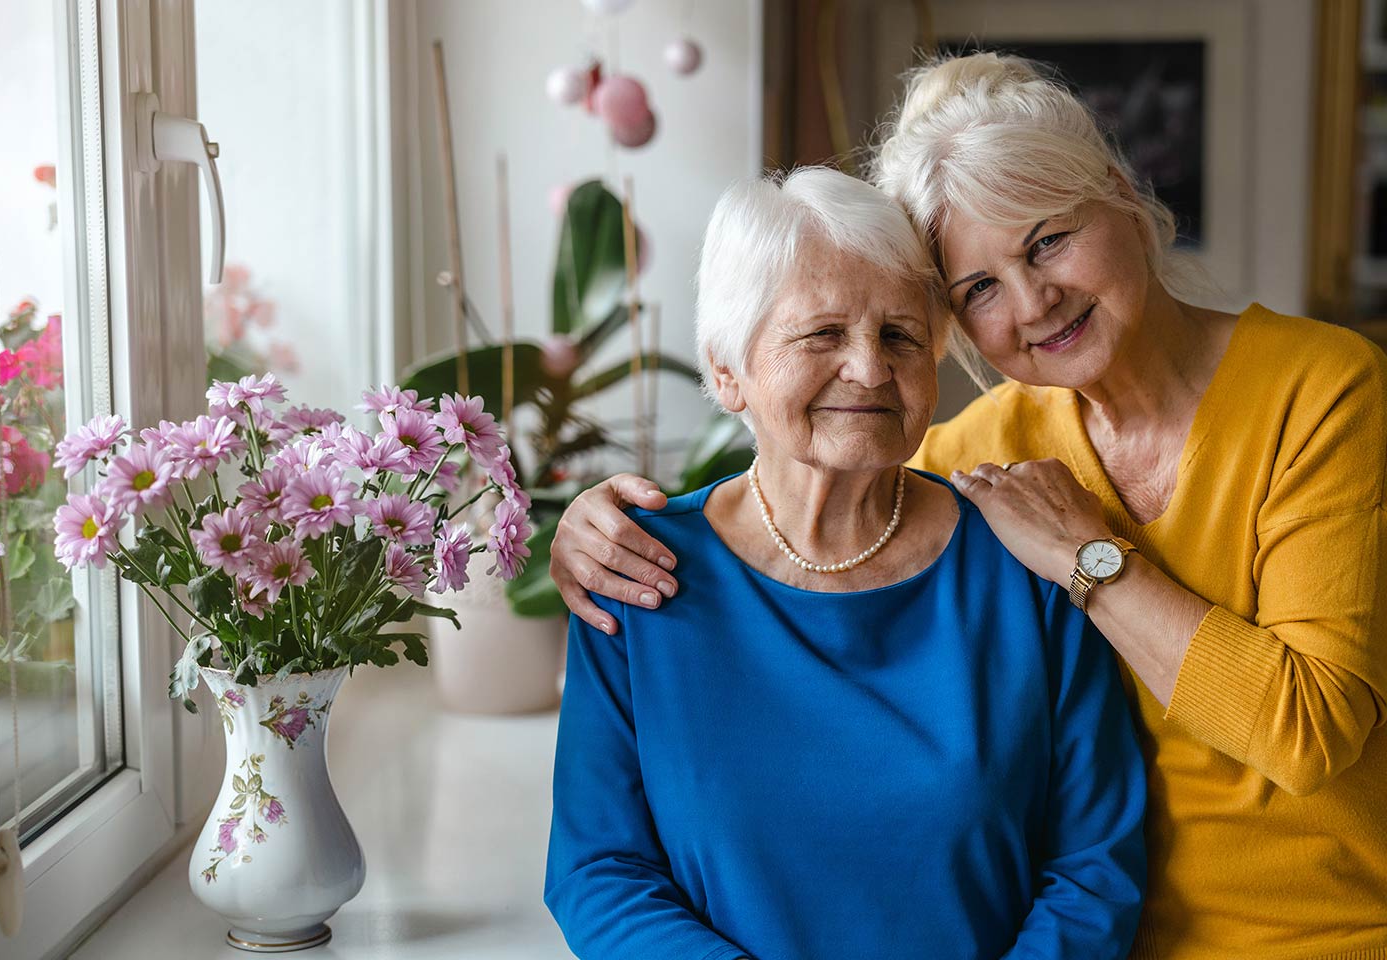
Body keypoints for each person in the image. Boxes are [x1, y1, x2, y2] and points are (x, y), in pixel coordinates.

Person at [549, 53, 1387, 959]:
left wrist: (1091, 561)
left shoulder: (1322, 390)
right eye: (979, 288)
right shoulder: (980, 456)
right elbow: (842, 463)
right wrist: (585, 525)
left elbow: (1307, 733)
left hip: (1315, 930)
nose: (1033, 302)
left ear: (1119, 193)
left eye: (1048, 241)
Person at [544, 166, 1146, 960]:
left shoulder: (1024, 558)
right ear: (727, 371)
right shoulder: (635, 570)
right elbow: (600, 871)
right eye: (822, 334)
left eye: (901, 336)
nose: (869, 369)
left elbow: (1095, 869)